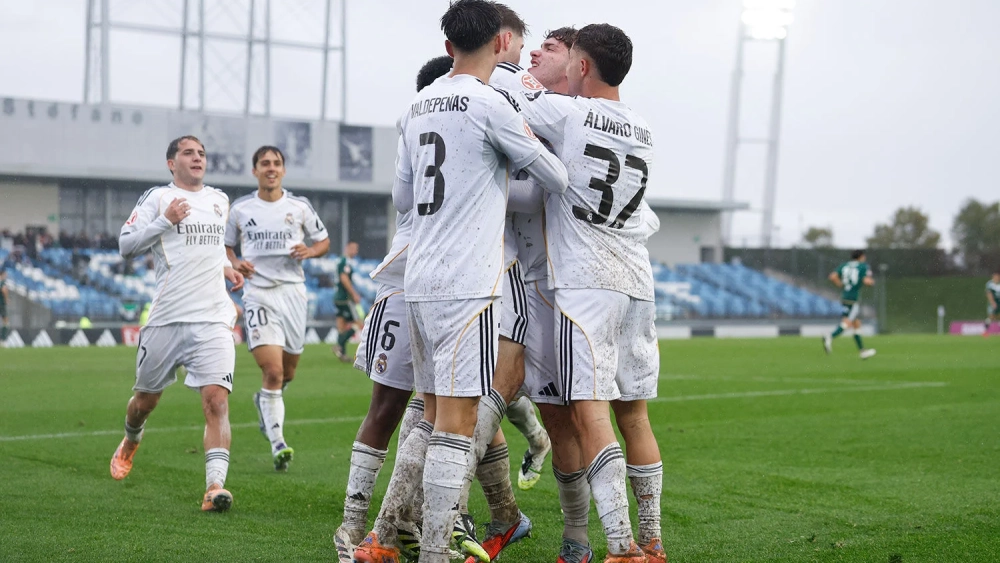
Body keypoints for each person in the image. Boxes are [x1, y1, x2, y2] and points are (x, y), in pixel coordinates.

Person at [353, 2, 568, 562]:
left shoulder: (417, 104)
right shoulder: (491, 102)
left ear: (448, 46)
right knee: (458, 418)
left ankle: (393, 536)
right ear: (500, 43)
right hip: (470, 283)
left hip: (417, 278)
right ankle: (435, 550)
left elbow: (403, 196)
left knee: (428, 411)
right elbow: (556, 176)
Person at [516, 23, 665, 563]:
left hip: (586, 280)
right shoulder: (644, 126)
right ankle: (651, 540)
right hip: (637, 279)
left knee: (589, 411)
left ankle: (622, 548)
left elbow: (513, 97)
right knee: (635, 415)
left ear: (581, 66)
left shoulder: (569, 114)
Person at [333, 55, 450, 563]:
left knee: (450, 413)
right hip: (409, 281)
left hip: (446, 282)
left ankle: (407, 517)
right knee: (391, 407)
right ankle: (354, 524)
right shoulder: (424, 119)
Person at [109, 135, 245, 512]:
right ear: (172, 163)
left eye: (201, 153)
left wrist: (228, 267)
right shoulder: (157, 198)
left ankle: (214, 487)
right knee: (145, 401)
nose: (197, 158)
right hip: (167, 318)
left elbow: (212, 247)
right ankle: (131, 439)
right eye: (188, 153)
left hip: (214, 319)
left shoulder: (219, 200)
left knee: (216, 401)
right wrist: (164, 222)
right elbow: (126, 244)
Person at [226, 145, 330, 471]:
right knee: (272, 371)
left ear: (283, 170)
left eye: (276, 163)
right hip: (258, 293)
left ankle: (265, 403)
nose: (271, 168)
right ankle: (278, 443)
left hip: (293, 293)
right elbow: (227, 247)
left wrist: (310, 252)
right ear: (254, 170)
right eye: (264, 163)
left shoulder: (299, 207)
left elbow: (324, 241)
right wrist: (235, 263)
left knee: (288, 373)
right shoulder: (240, 209)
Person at [823, 250, 876, 358]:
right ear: (861, 256)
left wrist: (840, 284)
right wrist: (871, 282)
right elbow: (866, 281)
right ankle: (830, 336)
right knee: (847, 322)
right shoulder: (863, 266)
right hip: (853, 298)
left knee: (856, 324)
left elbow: (832, 276)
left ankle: (862, 351)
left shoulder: (844, 265)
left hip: (845, 296)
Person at [333, 241, 363, 361]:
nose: (355, 251)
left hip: (338, 298)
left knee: (341, 325)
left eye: (356, 249)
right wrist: (354, 294)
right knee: (359, 323)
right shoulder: (345, 262)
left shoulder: (341, 261)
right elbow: (344, 278)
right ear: (347, 248)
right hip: (345, 298)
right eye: (353, 248)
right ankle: (339, 344)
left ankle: (342, 354)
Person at [985, 269, 1000, 337]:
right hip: (993, 303)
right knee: (991, 316)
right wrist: (992, 302)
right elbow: (989, 293)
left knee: (998, 317)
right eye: (995, 276)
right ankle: (985, 332)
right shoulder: (989, 284)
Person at [1, 268, 9, 342]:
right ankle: (3, 339)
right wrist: (6, 299)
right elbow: (4, 290)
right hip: (1, 304)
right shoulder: (2, 282)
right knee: (5, 321)